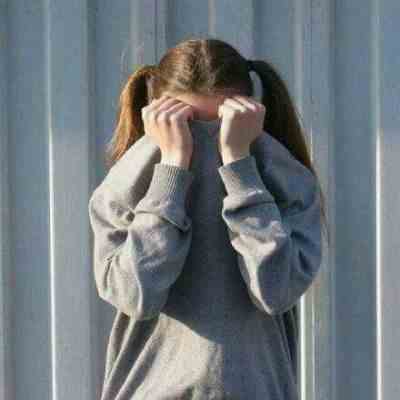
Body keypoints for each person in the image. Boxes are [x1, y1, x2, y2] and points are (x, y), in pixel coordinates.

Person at [88, 38, 328, 400]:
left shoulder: (287, 180)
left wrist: (239, 164)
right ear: (158, 116)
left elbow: (275, 290)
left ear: (250, 115)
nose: (205, 141)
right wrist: (172, 167)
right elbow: (135, 294)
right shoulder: (125, 184)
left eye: (223, 124)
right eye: (185, 124)